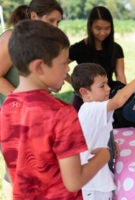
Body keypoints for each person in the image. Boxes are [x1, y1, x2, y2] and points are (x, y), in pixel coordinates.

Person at [0, 20, 111, 199]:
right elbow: (74, 181)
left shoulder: (6, 108)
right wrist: (104, 156)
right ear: (39, 67)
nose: (68, 69)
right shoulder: (62, 113)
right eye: (64, 63)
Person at [71, 63, 135, 199]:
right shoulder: (90, 109)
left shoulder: (98, 109)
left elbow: (103, 129)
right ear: (85, 92)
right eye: (102, 86)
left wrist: (111, 143)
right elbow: (119, 101)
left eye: (107, 84)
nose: (108, 89)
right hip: (94, 185)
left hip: (100, 181)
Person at [0, 0, 63, 198]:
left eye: (58, 23)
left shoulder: (42, 45)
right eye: (51, 20)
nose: (55, 27)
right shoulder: (11, 37)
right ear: (34, 17)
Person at [68, 6, 126, 111]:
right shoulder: (78, 48)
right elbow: (59, 65)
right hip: (85, 101)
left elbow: (120, 76)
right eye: (98, 28)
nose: (103, 32)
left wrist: (123, 96)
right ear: (90, 26)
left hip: (108, 98)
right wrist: (75, 84)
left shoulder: (116, 49)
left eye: (107, 28)